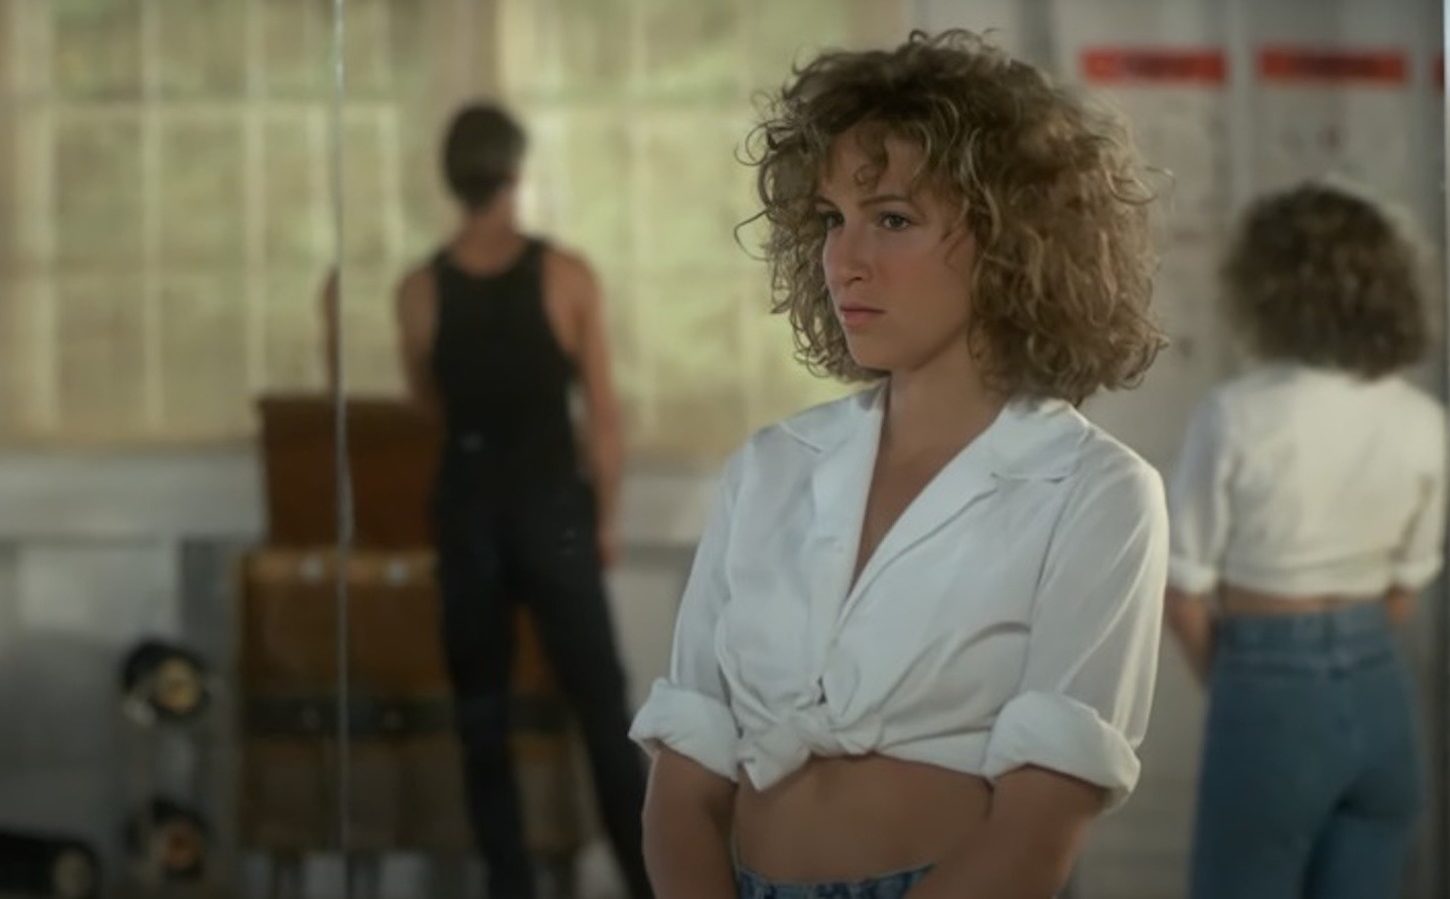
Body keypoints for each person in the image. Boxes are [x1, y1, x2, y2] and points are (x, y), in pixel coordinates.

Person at [629, 30, 1169, 899]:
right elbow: (683, 783)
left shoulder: (1095, 490)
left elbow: (1036, 835)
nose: (845, 261)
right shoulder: (770, 468)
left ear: (1011, 239)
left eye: (891, 219)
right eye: (831, 221)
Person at [388, 103, 651, 899]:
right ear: (513, 173)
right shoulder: (566, 276)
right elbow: (602, 415)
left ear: (451, 178)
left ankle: (510, 884)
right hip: (549, 508)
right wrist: (607, 518)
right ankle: (649, 883)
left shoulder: (419, 290)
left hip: (469, 505)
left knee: (483, 720)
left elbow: (429, 402)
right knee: (601, 709)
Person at [1165, 182, 1446, 899]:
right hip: (1381, 689)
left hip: (1268, 684)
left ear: (1263, 287)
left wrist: (1242, 683)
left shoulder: (1235, 414)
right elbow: (1405, 589)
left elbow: (1184, 591)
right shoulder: (1422, 420)